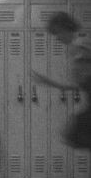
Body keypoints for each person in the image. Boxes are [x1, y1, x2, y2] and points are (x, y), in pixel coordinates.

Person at [32, 11, 91, 149]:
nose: (57, 38)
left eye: (58, 32)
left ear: (67, 28)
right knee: (74, 133)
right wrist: (49, 82)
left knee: (74, 134)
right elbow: (79, 83)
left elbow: (83, 77)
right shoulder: (77, 46)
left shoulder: (80, 45)